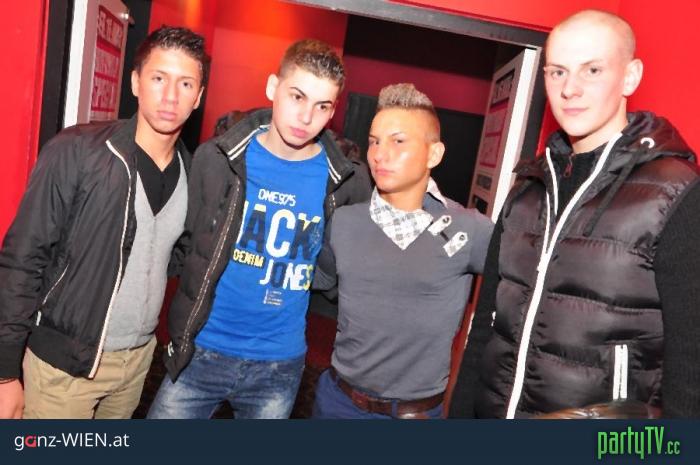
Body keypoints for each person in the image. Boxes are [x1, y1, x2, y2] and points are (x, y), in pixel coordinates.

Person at [450, 9, 700, 419]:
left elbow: (690, 365)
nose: (570, 89)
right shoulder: (526, 190)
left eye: (592, 70)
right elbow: (484, 331)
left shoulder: (676, 193)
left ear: (630, 77)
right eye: (557, 72)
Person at [147, 39, 371, 419]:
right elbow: (188, 245)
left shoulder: (346, 181)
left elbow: (349, 261)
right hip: (202, 349)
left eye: (322, 106)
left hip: (279, 365)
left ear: (333, 111)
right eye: (297, 97)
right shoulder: (217, 159)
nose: (306, 117)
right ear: (272, 88)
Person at [0, 26, 208, 419]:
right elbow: (23, 257)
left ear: (198, 97)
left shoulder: (192, 173)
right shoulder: (78, 150)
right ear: (136, 82)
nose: (170, 96)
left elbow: (175, 259)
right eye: (158, 78)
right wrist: (5, 371)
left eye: (185, 83)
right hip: (64, 368)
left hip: (136, 364)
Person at [311, 83, 493, 419]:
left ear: (434, 154)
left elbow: (524, 296)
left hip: (415, 414)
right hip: (337, 403)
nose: (380, 154)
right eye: (374, 141)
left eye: (398, 141)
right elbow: (313, 283)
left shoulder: (469, 230)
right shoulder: (344, 221)